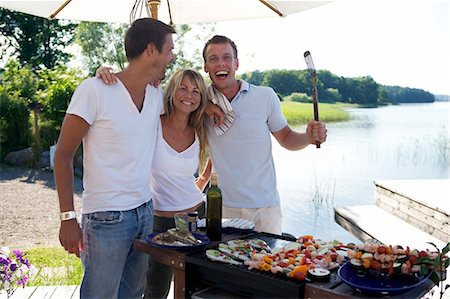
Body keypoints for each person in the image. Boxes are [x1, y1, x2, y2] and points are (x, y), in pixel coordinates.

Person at [54, 18, 175, 299]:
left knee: (133, 294)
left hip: (145, 212)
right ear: (150, 50)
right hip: (106, 219)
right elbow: (62, 154)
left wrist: (214, 108)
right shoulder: (94, 90)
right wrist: (67, 218)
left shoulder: (155, 94)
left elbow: (186, 107)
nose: (172, 57)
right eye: (169, 50)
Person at [202, 35, 327, 235]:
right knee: (222, 265)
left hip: (265, 208)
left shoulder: (265, 96)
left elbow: (286, 137)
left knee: (268, 265)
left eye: (226, 57)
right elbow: (172, 96)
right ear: (206, 67)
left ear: (236, 63)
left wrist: (308, 137)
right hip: (223, 208)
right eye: (213, 58)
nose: (221, 64)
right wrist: (205, 104)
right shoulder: (199, 100)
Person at [144, 69, 211, 299]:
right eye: (183, 87)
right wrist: (105, 72)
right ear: (172, 90)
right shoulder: (153, 122)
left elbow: (217, 155)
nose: (189, 95)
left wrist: (201, 181)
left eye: (196, 91)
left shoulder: (200, 128)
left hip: (196, 216)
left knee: (194, 287)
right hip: (160, 221)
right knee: (155, 288)